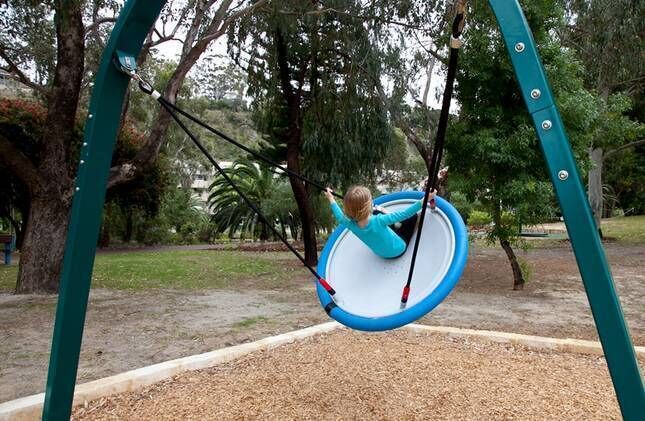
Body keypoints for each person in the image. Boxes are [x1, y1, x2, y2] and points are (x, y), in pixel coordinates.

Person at [324, 186, 436, 259]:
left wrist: (330, 198)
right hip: (399, 249)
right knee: (412, 218)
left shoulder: (350, 225)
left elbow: (339, 216)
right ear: (368, 205)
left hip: (381, 254)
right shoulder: (379, 220)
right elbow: (405, 213)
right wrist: (425, 199)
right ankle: (402, 225)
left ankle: (396, 226)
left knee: (378, 212)